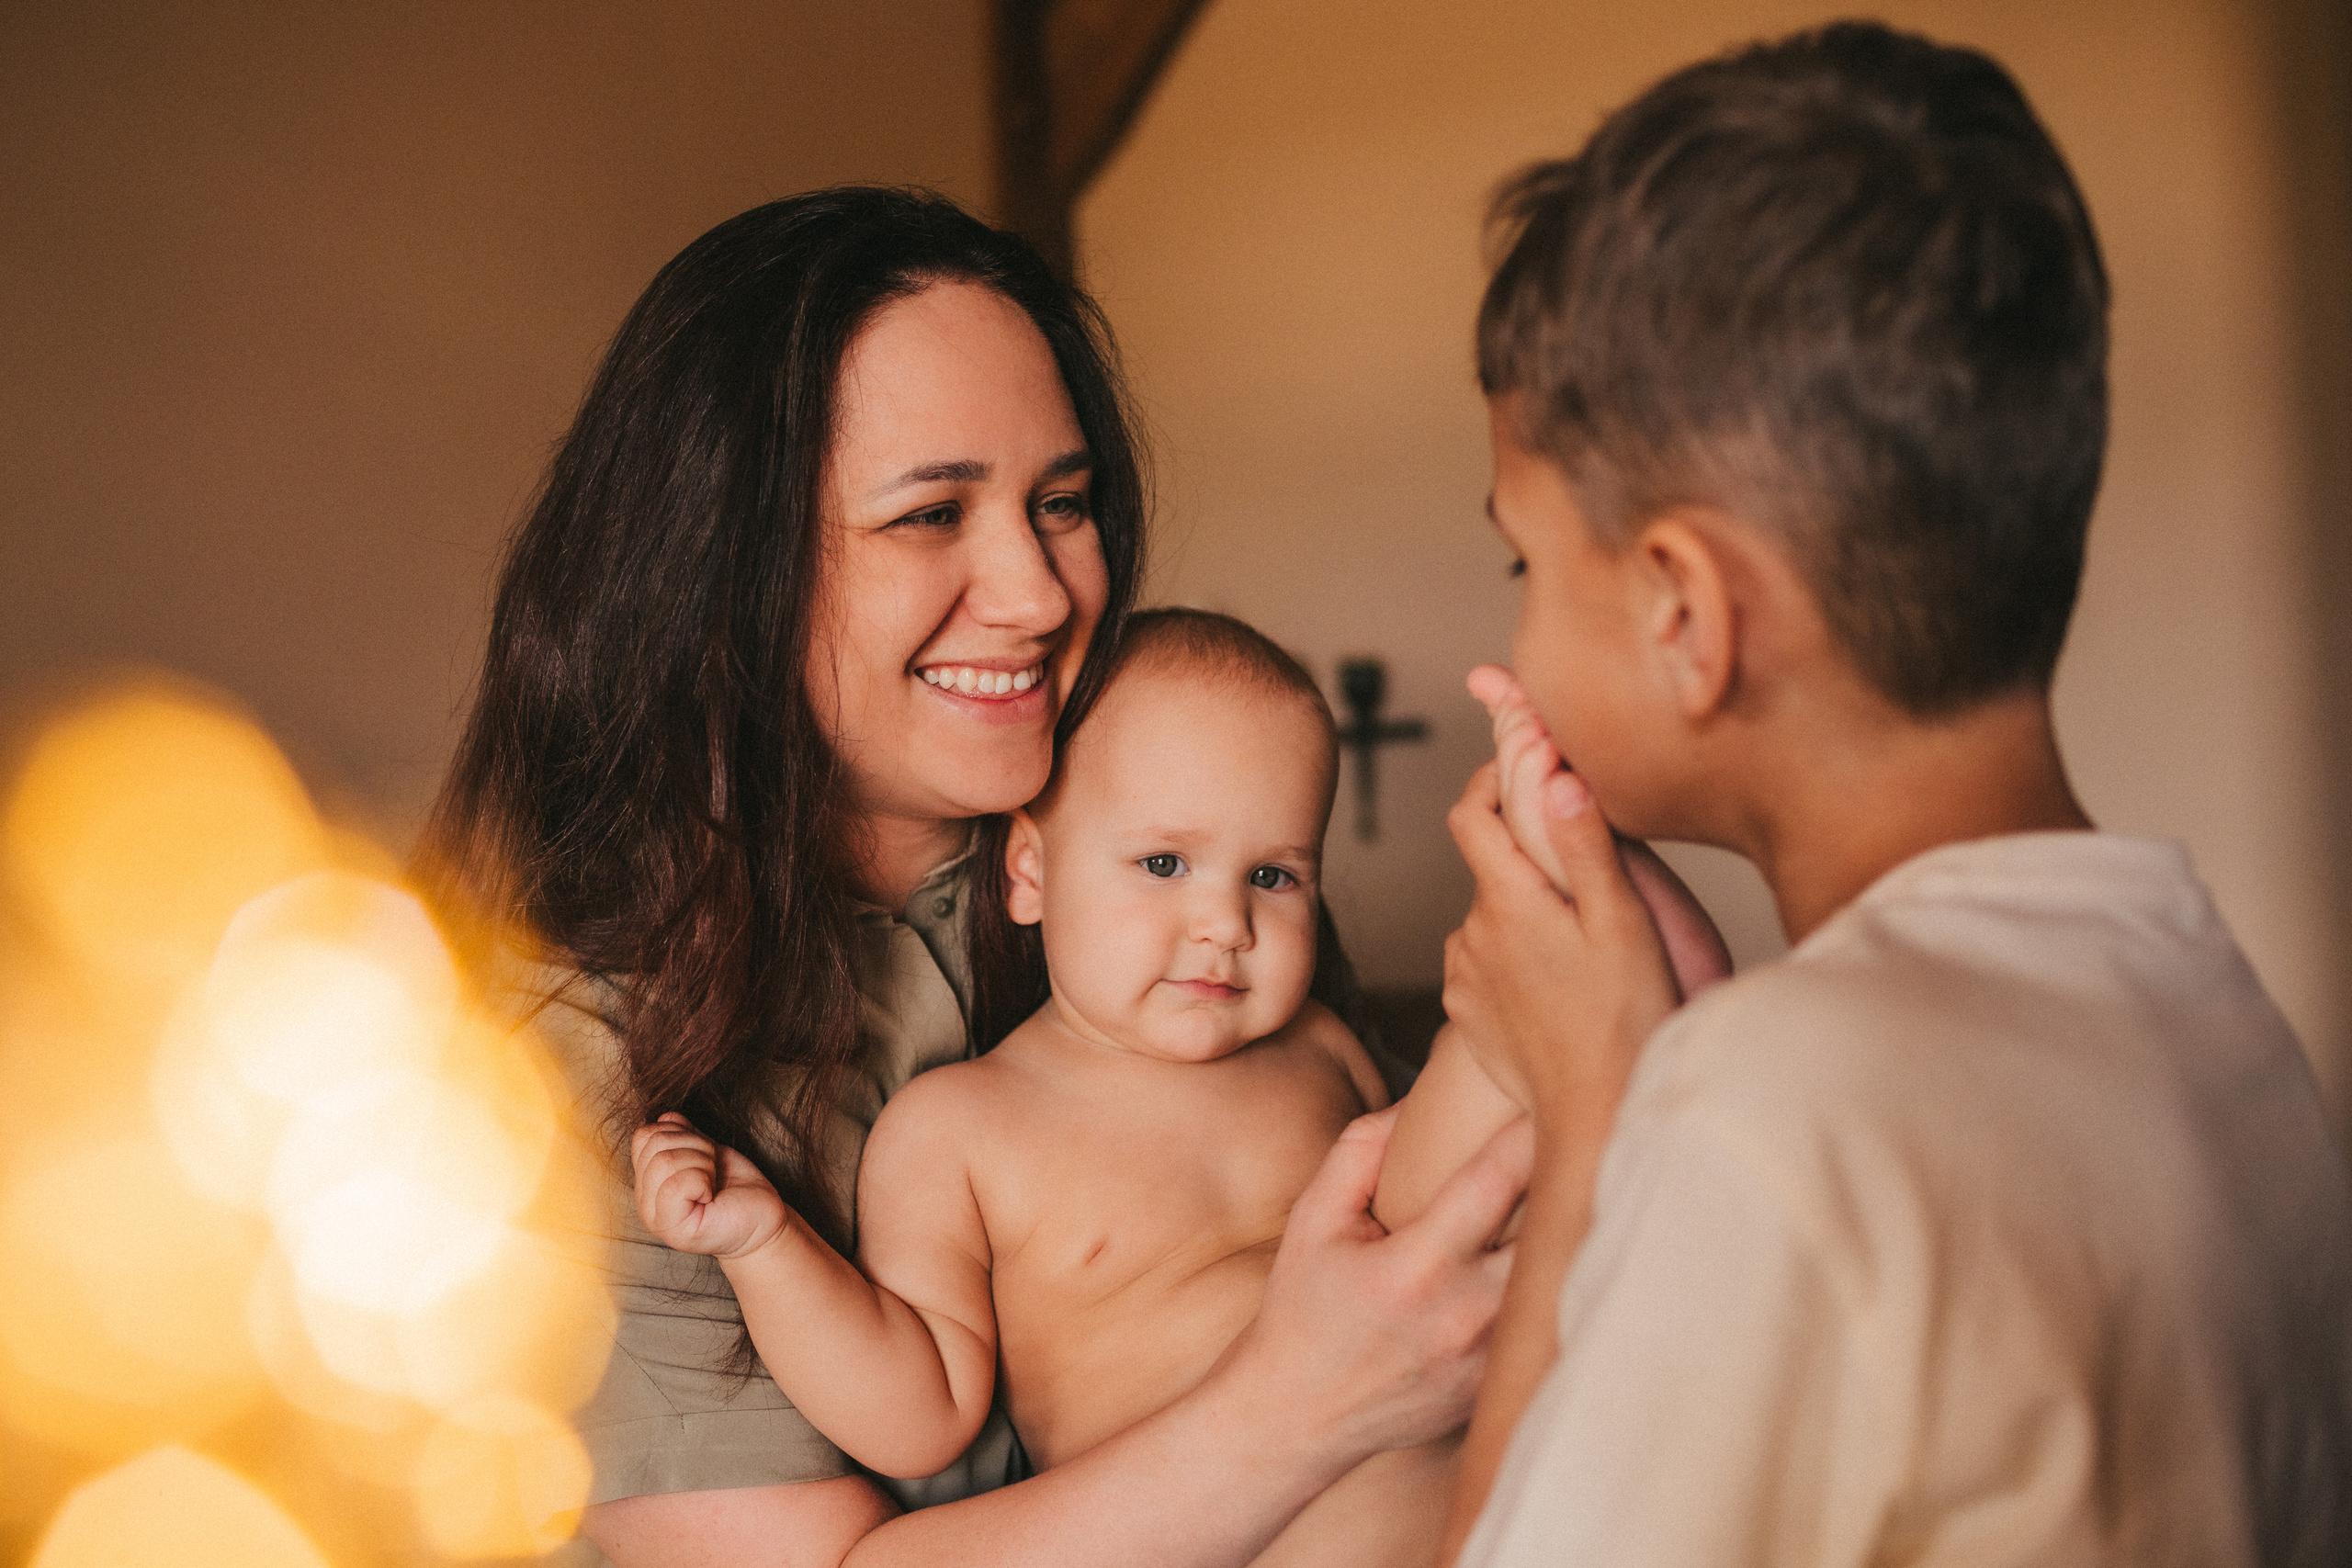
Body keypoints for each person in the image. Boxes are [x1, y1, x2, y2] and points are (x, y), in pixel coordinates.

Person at [421, 187, 1528, 1568]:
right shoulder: (561, 1067)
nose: (1041, 591)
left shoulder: (1147, 856)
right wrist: (1308, 1403)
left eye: (1062, 503)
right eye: (931, 514)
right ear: (727, 570)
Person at [1432, 21, 2352, 1566]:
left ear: (1685, 616)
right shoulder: (2215, 1011)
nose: (1512, 618)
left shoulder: (1770, 1105)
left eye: (1525, 561)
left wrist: (1598, 1093)